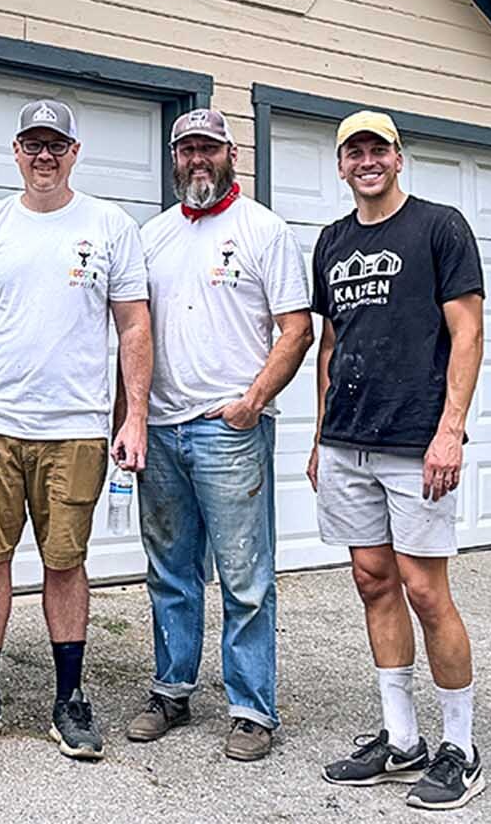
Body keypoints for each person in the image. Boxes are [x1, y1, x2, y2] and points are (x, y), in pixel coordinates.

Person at [0, 98, 151, 761]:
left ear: (74, 152)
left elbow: (134, 325)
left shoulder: (109, 224)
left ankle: (70, 697)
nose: (44, 156)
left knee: (65, 562)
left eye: (56, 144)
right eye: (33, 144)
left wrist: (134, 416)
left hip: (75, 427)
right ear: (16, 153)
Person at [308, 112, 487, 810]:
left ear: (398, 157)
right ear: (341, 164)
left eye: (377, 149)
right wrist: (319, 436)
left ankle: (461, 749)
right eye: (354, 151)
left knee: (425, 589)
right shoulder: (332, 241)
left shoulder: (439, 227)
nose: (367, 161)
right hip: (347, 441)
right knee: (372, 580)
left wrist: (450, 431)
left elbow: (467, 333)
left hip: (416, 441)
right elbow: (331, 344)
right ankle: (402, 737)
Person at [124, 108, 313, 761]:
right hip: (162, 429)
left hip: (228, 432)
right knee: (170, 572)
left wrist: (252, 402)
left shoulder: (263, 230)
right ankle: (171, 690)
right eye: (187, 150)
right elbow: (132, 332)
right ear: (174, 159)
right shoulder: (152, 236)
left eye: (208, 148)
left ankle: (252, 710)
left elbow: (296, 329)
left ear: (232, 153)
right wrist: (132, 415)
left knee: (244, 576)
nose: (197, 159)